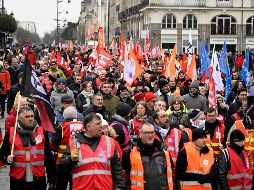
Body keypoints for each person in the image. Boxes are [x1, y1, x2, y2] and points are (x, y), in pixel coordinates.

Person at [61, 113, 125, 190]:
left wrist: (119, 186)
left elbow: (116, 168)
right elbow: (63, 167)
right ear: (88, 127)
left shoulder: (109, 142)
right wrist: (70, 160)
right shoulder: (74, 143)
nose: (101, 126)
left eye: (101, 123)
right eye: (98, 124)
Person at [0, 106, 55, 190]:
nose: (30, 119)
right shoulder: (12, 133)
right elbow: (2, 153)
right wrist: (6, 158)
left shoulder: (42, 131)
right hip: (18, 179)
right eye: (27, 117)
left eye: (32, 116)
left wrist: (52, 179)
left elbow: (48, 157)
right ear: (20, 118)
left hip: (38, 178)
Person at [122, 122, 173, 190]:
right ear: (140, 134)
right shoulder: (130, 152)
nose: (150, 135)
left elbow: (171, 172)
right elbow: (124, 176)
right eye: (147, 133)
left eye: (152, 132)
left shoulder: (164, 150)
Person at [51, 106, 84, 190]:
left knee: (61, 184)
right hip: (79, 158)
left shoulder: (62, 127)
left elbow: (53, 143)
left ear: (64, 116)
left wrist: (54, 150)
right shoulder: (83, 125)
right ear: (76, 115)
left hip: (62, 160)